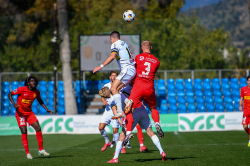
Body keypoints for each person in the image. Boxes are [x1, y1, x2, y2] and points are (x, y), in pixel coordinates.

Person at [99, 87, 167, 163]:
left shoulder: (112, 101)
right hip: (141, 109)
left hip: (132, 113)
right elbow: (132, 98)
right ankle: (162, 152)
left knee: (122, 136)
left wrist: (120, 121)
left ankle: (115, 158)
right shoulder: (121, 92)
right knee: (151, 133)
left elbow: (116, 112)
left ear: (105, 97)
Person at [117, 40, 164, 143]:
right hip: (149, 88)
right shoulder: (156, 61)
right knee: (153, 108)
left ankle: (129, 132)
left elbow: (134, 70)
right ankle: (157, 123)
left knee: (129, 110)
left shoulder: (138, 57)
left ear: (142, 48)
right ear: (150, 48)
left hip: (138, 87)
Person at [93, 31, 136, 118]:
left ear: (111, 38)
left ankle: (120, 111)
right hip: (131, 70)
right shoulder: (124, 43)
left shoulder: (115, 44)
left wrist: (100, 66)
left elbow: (112, 56)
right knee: (117, 90)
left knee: (113, 88)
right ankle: (127, 102)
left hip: (127, 70)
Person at [8, 76, 52, 159]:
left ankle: (41, 150)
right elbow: (9, 94)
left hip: (29, 113)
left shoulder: (36, 92)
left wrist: (46, 109)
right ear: (28, 83)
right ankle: (28, 153)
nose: (34, 82)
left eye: (35, 81)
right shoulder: (21, 89)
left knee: (38, 128)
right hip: (20, 114)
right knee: (24, 131)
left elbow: (40, 100)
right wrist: (14, 103)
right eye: (32, 81)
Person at [98, 71, 122, 152]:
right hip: (108, 111)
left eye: (115, 75)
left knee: (115, 130)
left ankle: (117, 149)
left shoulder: (119, 86)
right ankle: (107, 142)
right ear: (110, 77)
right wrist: (103, 101)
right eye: (112, 75)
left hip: (116, 111)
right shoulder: (106, 85)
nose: (114, 77)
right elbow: (102, 95)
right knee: (101, 127)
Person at [239, 75, 250, 147]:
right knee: (245, 127)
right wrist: (240, 105)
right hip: (246, 110)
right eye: (248, 80)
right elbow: (241, 99)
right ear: (247, 81)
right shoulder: (243, 89)